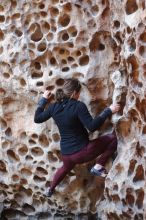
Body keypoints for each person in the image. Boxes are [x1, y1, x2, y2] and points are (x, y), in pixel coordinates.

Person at [34, 78, 120, 197]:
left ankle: (50, 189)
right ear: (75, 93)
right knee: (114, 139)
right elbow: (92, 126)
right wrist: (108, 111)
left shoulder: (54, 107)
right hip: (82, 152)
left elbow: (37, 118)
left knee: (65, 168)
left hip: (66, 155)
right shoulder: (78, 106)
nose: (79, 96)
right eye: (79, 93)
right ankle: (99, 166)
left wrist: (44, 99)